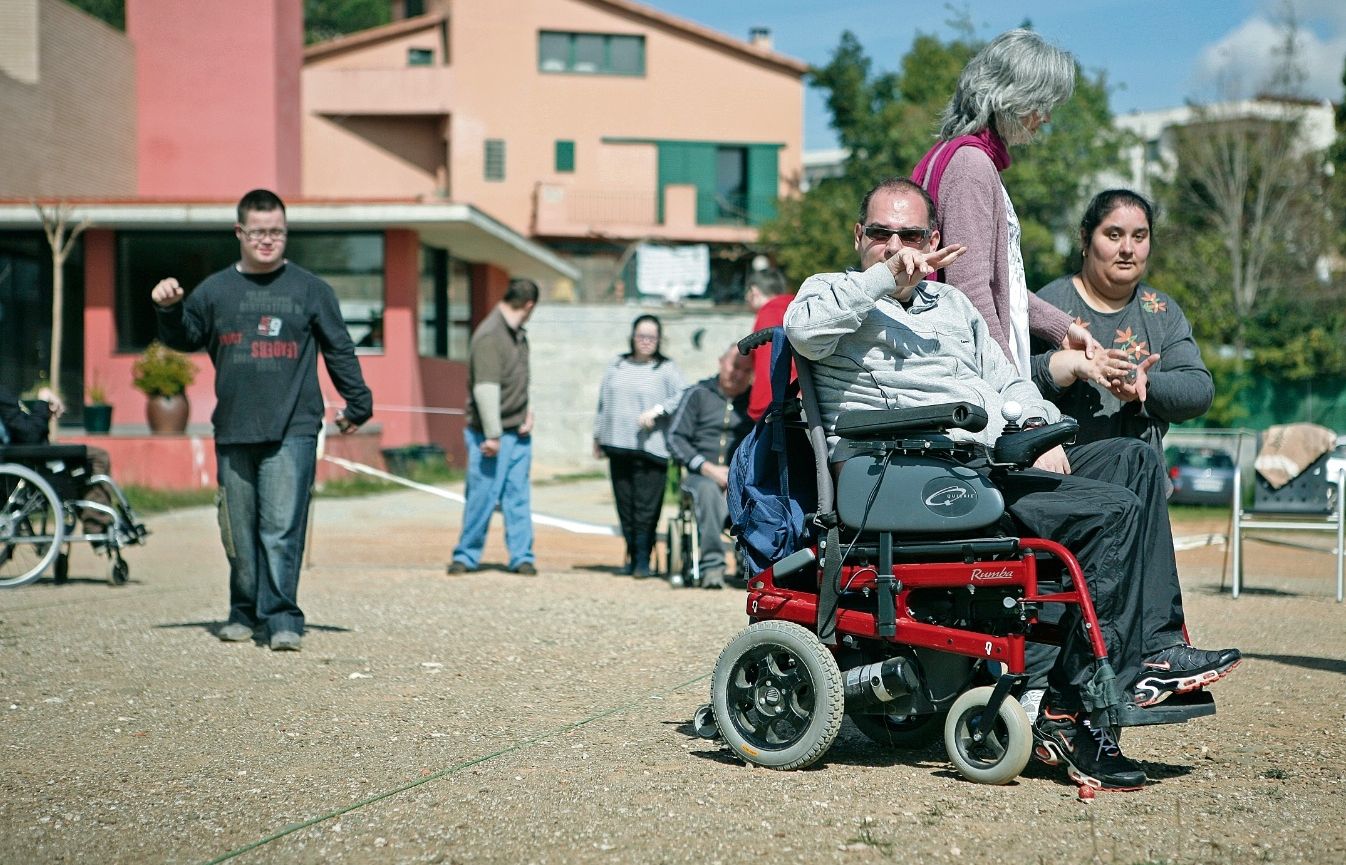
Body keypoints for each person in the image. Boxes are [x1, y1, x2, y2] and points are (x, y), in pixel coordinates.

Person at [783, 177, 1236, 790]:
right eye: (882, 234)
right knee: (1111, 514)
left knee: (1133, 459)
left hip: (983, 457)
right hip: (906, 467)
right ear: (859, 236)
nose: (896, 246)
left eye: (911, 235)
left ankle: (1155, 646)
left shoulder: (953, 308)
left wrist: (1041, 429)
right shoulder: (831, 293)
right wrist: (886, 278)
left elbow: (1007, 381)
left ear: (935, 239)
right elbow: (803, 332)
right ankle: (1073, 710)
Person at [1022, 189, 1231, 711]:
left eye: (1139, 237)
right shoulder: (1049, 307)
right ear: (1086, 240)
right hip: (1060, 481)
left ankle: (1156, 655)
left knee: (1140, 462)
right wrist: (1063, 369)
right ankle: (1116, 669)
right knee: (1134, 461)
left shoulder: (1161, 312)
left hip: (1138, 486)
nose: (1127, 249)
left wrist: (1147, 386)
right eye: (1112, 235)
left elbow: (1199, 388)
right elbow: (1006, 379)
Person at [152, 188, 373, 652]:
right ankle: (244, 610)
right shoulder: (214, 291)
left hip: (293, 426)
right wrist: (168, 309)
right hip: (233, 427)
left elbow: (339, 348)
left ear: (285, 232)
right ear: (240, 233)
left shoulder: (312, 290)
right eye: (259, 232)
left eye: (277, 231)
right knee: (239, 531)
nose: (268, 240)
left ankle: (282, 618)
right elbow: (185, 338)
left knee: (280, 527)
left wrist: (357, 402)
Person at [913, 28, 1098, 377]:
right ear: (1010, 96)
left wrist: (1060, 327)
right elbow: (970, 291)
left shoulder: (949, 155)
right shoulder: (971, 166)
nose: (1046, 118)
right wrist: (1010, 384)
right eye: (1041, 104)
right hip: (972, 384)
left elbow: (998, 284)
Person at [448, 278, 539, 577]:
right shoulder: (490, 335)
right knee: (482, 496)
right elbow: (486, 390)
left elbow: (517, 380)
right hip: (490, 436)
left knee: (518, 498)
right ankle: (466, 555)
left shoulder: (516, 335)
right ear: (529, 306)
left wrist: (527, 412)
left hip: (518, 432)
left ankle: (522, 557)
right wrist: (493, 435)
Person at [593, 314, 686, 577]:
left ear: (659, 340)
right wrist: (597, 436)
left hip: (651, 448)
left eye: (651, 337)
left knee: (646, 506)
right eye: (641, 336)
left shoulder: (666, 369)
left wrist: (658, 410)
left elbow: (683, 396)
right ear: (632, 337)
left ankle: (644, 559)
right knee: (625, 504)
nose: (646, 341)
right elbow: (603, 403)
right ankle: (632, 556)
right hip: (617, 444)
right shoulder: (617, 365)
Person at [666, 345, 754, 589]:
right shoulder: (697, 394)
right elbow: (675, 437)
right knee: (707, 490)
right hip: (699, 475)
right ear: (721, 362)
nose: (738, 374)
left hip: (739, 478)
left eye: (746, 370)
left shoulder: (754, 402)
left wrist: (737, 476)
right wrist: (706, 468)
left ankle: (750, 564)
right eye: (734, 366)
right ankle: (712, 566)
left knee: (758, 493)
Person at [0, 384, 116, 536]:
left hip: (22, 455)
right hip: (26, 457)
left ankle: (95, 523)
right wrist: (43, 399)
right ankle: (97, 527)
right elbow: (30, 434)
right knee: (98, 457)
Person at [744, 267, 793, 421]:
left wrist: (758, 410)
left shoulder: (768, 313)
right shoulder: (795, 307)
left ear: (754, 291)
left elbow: (769, 364)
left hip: (781, 405)